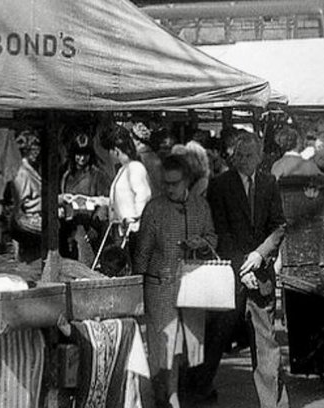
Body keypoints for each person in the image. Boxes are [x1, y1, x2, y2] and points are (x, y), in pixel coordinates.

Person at [194, 131, 289, 408]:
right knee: (215, 339)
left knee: (266, 344)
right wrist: (240, 266)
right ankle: (198, 394)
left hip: (260, 275)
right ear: (232, 157)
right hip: (230, 277)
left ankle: (273, 404)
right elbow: (220, 230)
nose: (243, 160)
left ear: (259, 157)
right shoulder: (220, 185)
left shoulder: (270, 184)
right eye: (239, 155)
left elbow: (279, 226)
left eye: (249, 155)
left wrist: (260, 255)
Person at [133, 154, 217, 408]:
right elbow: (143, 251)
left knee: (185, 346)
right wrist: (138, 288)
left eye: (175, 183)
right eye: (166, 183)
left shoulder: (201, 206)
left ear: (188, 181)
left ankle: (169, 392)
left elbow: (213, 237)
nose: (169, 188)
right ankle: (169, 396)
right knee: (164, 346)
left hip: (192, 287)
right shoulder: (154, 209)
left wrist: (203, 244)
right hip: (160, 286)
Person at [106, 125, 153, 248]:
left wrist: (134, 218)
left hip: (134, 232)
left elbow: (144, 194)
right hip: (122, 230)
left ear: (116, 151)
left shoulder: (135, 168)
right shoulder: (122, 170)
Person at [7, 129, 43, 261]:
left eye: (37, 150)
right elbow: (24, 203)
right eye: (33, 150)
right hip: (26, 223)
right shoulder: (22, 172)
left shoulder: (32, 170)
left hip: (33, 219)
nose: (36, 153)